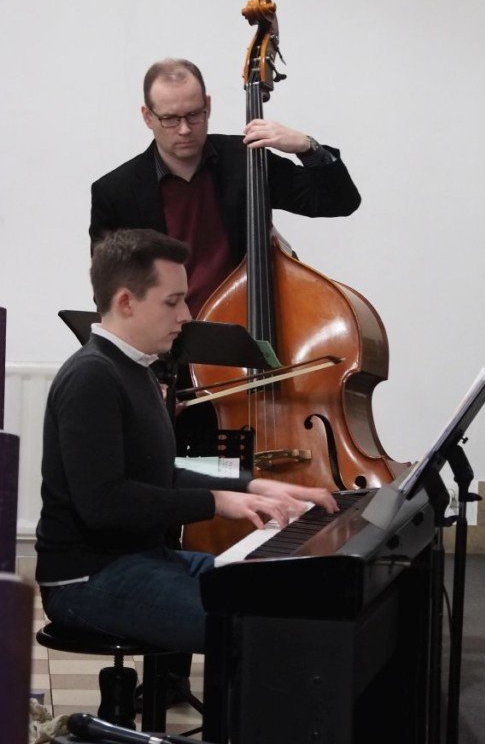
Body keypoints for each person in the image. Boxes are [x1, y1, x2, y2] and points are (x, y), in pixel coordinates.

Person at [35, 229, 337, 658]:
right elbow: (103, 503)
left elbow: (161, 473)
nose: (186, 315)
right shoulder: (92, 376)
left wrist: (253, 485)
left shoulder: (137, 369)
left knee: (279, 595)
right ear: (126, 302)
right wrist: (215, 502)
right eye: (173, 302)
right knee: (256, 627)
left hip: (142, 560)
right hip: (88, 579)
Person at [89, 57, 361, 320]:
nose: (184, 129)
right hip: (167, 341)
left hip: (250, 327)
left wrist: (307, 147)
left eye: (194, 115)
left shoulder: (247, 160)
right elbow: (109, 289)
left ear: (208, 106)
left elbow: (340, 201)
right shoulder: (115, 192)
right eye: (170, 119)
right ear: (148, 117)